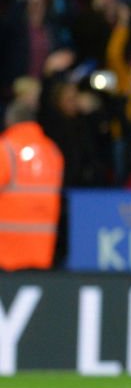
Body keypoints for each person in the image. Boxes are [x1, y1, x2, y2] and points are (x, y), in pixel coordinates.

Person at [0, 101, 64, 271]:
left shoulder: (5, 149)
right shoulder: (52, 151)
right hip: (42, 252)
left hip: (6, 254)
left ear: (9, 121)